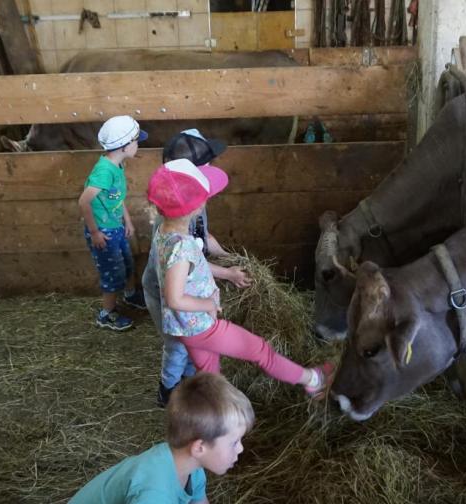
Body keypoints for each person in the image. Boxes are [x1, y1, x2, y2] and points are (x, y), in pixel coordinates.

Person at [148, 158, 332, 396]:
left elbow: (193, 267)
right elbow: (174, 298)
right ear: (195, 207)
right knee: (260, 350)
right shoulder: (181, 248)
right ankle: (312, 379)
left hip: (187, 328)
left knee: (209, 373)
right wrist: (209, 303)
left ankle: (214, 409)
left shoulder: (165, 233)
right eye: (205, 197)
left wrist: (226, 274)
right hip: (201, 326)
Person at [145, 130, 252, 407]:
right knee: (177, 345)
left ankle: (191, 383)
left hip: (187, 288)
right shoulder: (174, 224)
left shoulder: (189, 200)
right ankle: (167, 390)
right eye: (208, 164)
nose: (213, 169)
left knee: (191, 345)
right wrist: (227, 274)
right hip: (168, 293)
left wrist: (228, 256)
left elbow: (203, 237)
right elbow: (186, 267)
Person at [69, 372, 253, 504]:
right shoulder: (154, 493)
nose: (240, 449)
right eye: (234, 442)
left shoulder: (192, 467)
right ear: (199, 447)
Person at [78, 115, 148, 331]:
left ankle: (129, 296)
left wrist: (127, 220)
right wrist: (95, 232)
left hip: (116, 228)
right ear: (125, 146)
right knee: (112, 272)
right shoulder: (104, 171)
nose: (138, 145)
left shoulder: (117, 166)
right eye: (136, 141)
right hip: (104, 232)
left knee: (127, 264)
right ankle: (106, 315)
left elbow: (116, 198)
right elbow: (84, 201)